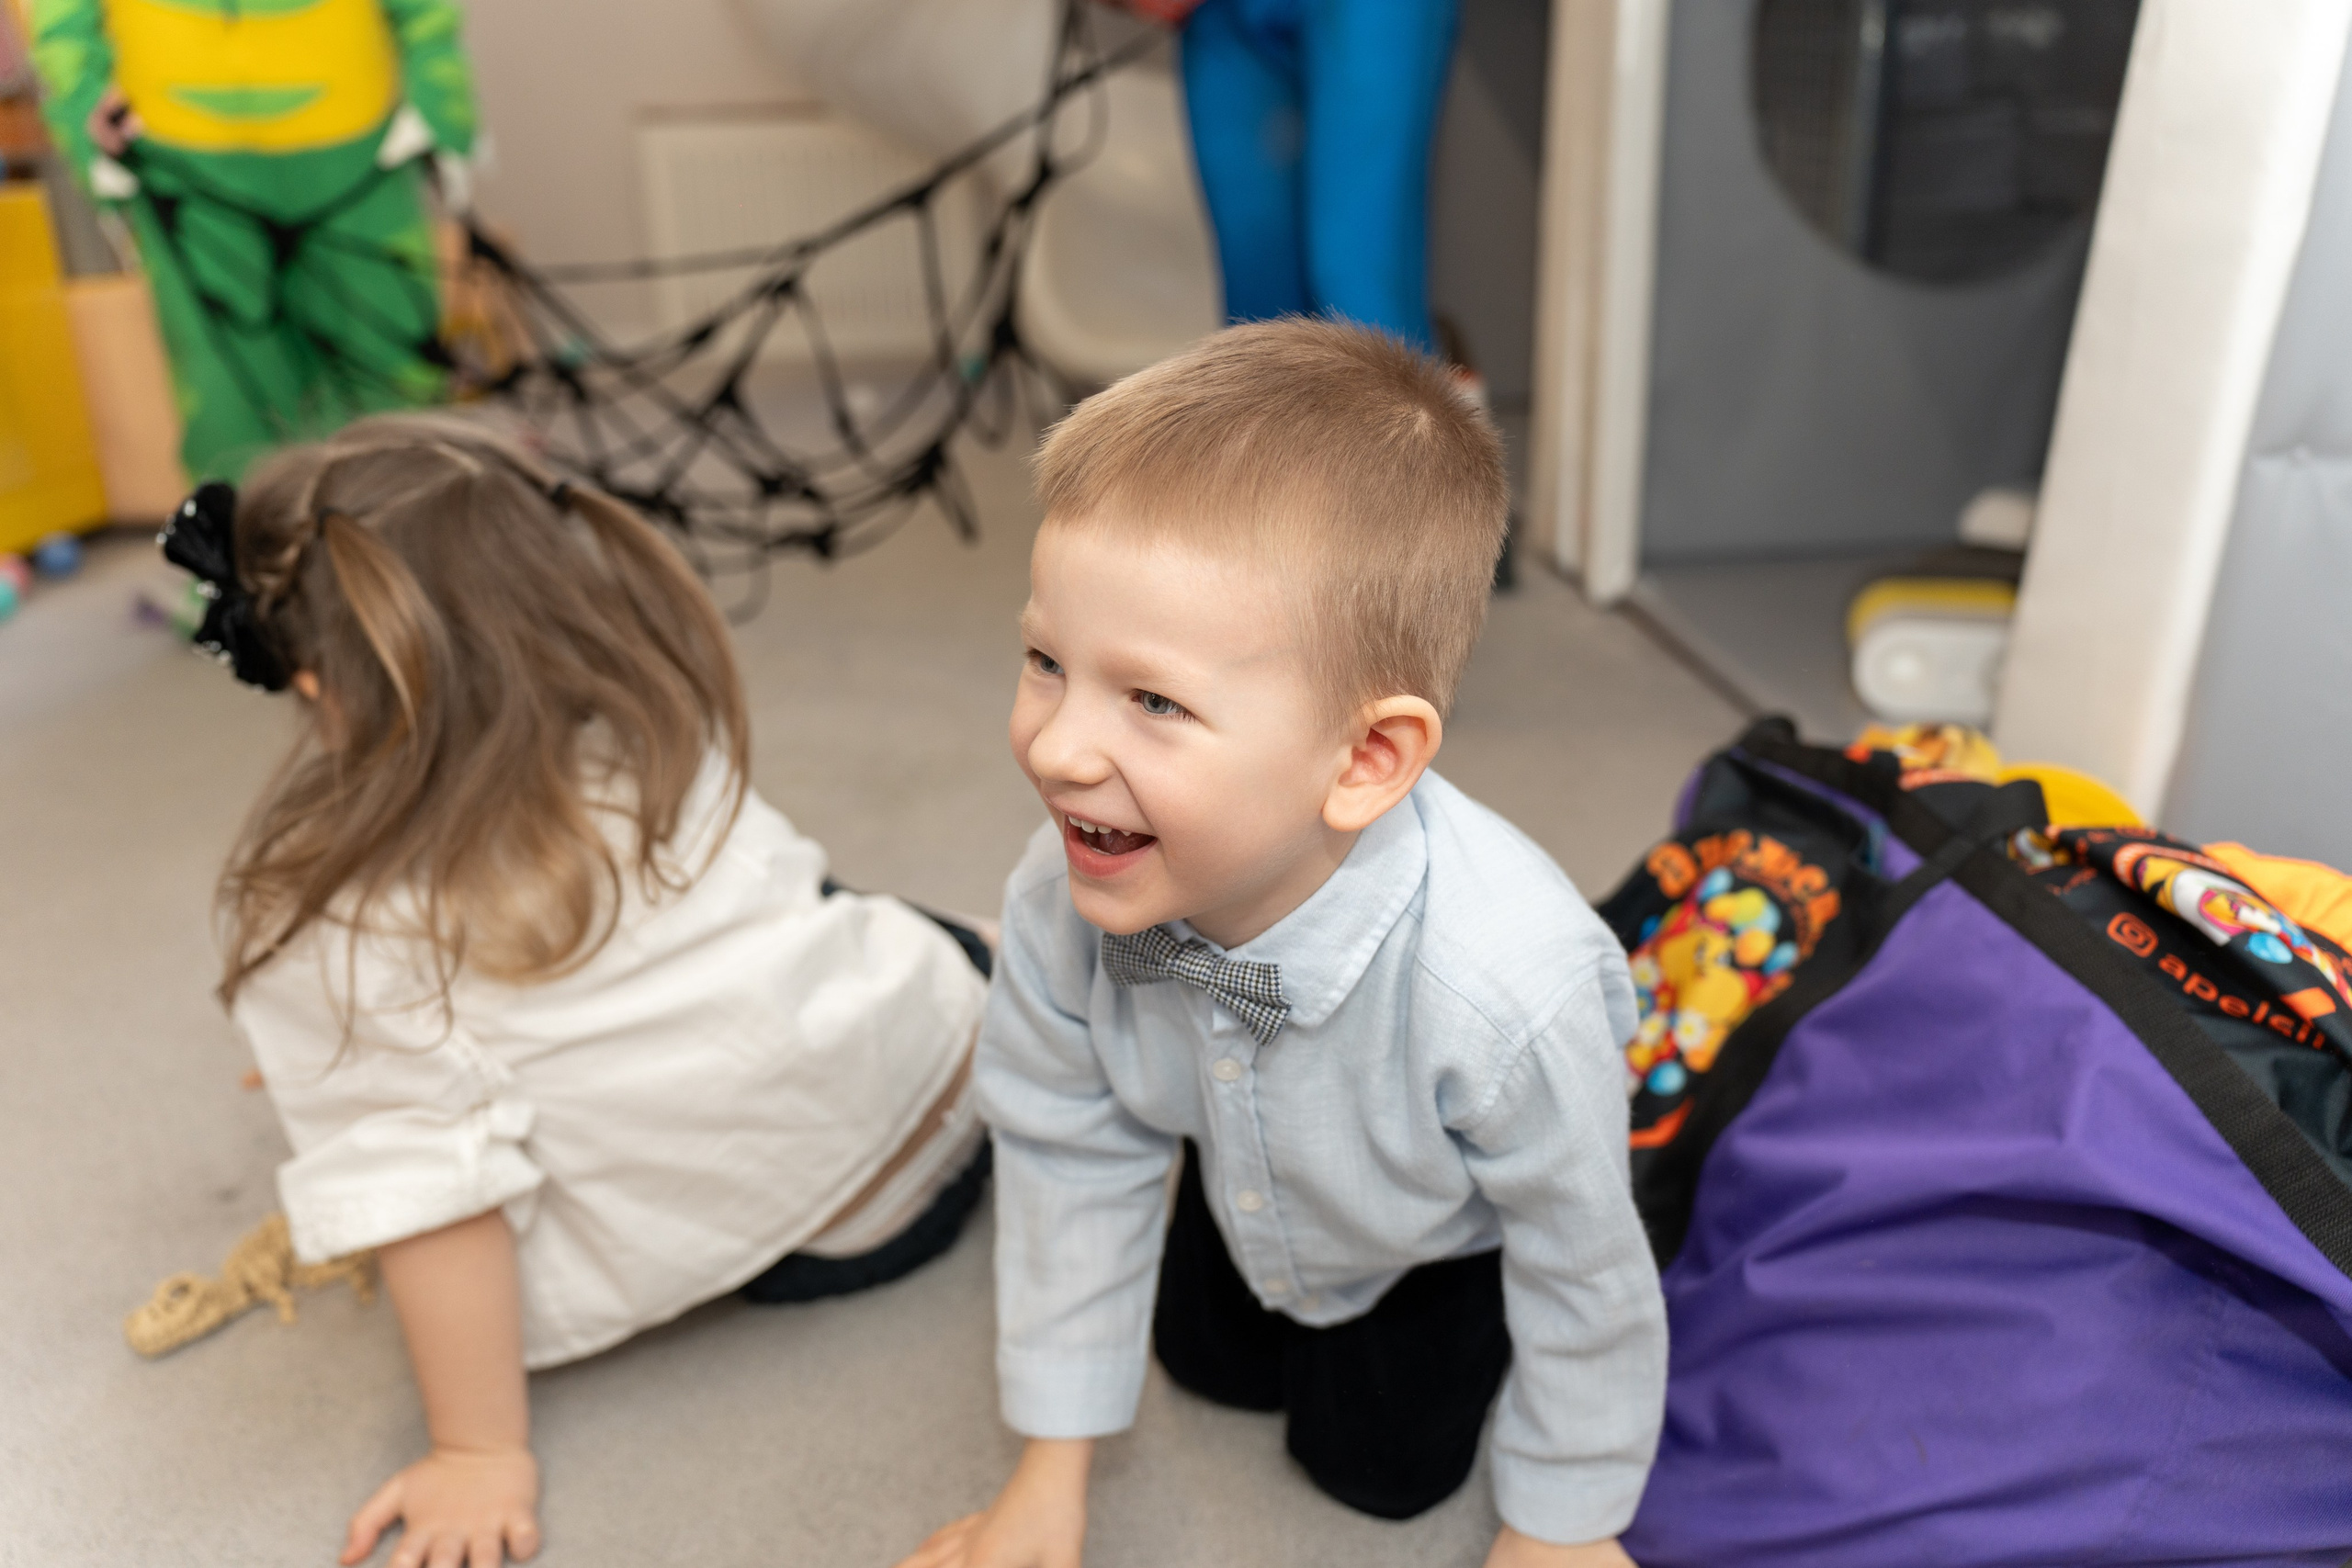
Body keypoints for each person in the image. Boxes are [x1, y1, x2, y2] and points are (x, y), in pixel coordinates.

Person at [896, 320, 1666, 1568]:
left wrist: (1562, 1524)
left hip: (1428, 1244)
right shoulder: (1064, 890)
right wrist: (1049, 1462)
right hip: (1227, 1175)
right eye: (1046, 660)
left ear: (1366, 760)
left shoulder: (1509, 983)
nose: (1054, 747)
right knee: (1202, 1363)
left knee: (1380, 1473)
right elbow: (1065, 1144)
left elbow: (1580, 1255)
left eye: (1152, 699)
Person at [165, 415, 992, 1568]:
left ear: (318, 686)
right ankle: (998, 969)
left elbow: (425, 1190)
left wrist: (478, 1453)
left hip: (818, 1247)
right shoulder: (648, 723)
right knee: (826, 916)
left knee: (410, 1104)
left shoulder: (334, 937)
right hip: (941, 1068)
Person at [30, 0, 478, 479]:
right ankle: (250, 533)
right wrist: (83, 107)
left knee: (391, 357)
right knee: (225, 383)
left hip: (354, 149)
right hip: (179, 158)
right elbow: (61, 21)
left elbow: (427, 13)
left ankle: (412, 522)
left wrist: (441, 104)